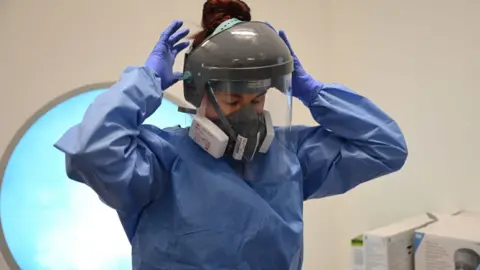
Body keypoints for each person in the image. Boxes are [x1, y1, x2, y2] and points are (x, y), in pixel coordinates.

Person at [54, 0, 408, 269]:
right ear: (199, 94)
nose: (247, 113)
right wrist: (144, 82)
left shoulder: (289, 155)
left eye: (257, 100)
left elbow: (385, 147)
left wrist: (313, 92)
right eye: (232, 99)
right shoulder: (160, 161)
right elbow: (90, 152)